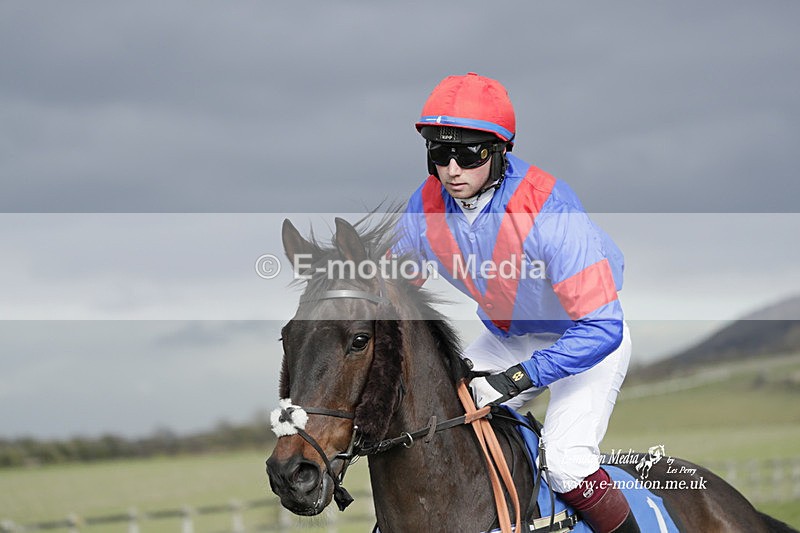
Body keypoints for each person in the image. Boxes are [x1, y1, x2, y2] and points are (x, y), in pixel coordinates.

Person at [393, 73, 639, 533]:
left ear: (499, 151)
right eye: (440, 153)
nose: (452, 170)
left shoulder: (549, 208)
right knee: (437, 423)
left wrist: (518, 378)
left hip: (584, 340)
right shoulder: (424, 207)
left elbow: (602, 328)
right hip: (509, 337)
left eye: (469, 154)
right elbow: (391, 289)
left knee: (566, 464)